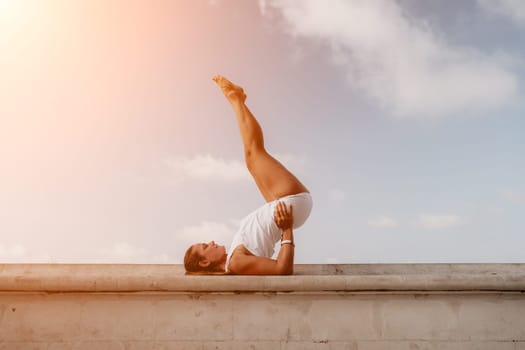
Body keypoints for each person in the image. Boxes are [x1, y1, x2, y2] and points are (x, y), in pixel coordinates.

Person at [183, 75, 312, 275]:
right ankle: (235, 98)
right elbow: (282, 269)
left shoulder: (234, 257)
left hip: (282, 206)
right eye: (205, 246)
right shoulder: (235, 263)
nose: (211, 242)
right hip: (290, 204)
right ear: (204, 262)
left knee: (251, 161)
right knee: (254, 152)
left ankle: (237, 99)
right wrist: (287, 228)